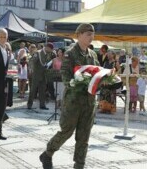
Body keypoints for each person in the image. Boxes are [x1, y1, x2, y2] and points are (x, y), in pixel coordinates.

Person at [39, 23, 99, 169]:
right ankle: (48, 153)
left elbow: (97, 74)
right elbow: (65, 75)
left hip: (89, 102)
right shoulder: (70, 53)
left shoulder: (93, 54)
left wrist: (106, 80)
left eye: (92, 34)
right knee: (66, 131)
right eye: (88, 34)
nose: (91, 37)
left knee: (84, 136)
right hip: (73, 101)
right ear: (78, 35)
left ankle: (79, 165)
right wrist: (77, 83)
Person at [27, 43, 55, 110]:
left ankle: (42, 105)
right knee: (33, 90)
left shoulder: (49, 54)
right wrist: (31, 69)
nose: (51, 51)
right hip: (36, 75)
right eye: (51, 49)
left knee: (42, 90)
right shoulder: (38, 53)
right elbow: (32, 61)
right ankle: (29, 105)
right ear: (47, 47)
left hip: (44, 75)